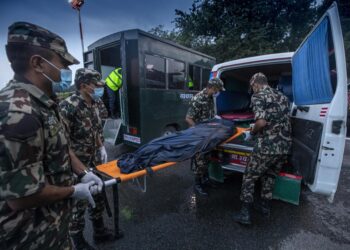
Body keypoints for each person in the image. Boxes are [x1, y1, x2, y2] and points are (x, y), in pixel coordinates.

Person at [0, 22, 103, 250]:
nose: (67, 72)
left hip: (54, 226)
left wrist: (82, 172)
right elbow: (22, 197)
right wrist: (74, 190)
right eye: (63, 64)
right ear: (38, 63)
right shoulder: (18, 112)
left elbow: (61, 145)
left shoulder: (43, 103)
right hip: (29, 237)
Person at [59, 68, 115, 249]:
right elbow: (62, 144)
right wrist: (80, 170)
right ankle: (78, 240)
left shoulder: (96, 104)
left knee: (98, 194)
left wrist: (101, 146)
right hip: (76, 165)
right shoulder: (68, 106)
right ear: (83, 86)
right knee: (79, 203)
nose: (100, 89)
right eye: (96, 85)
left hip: (94, 160)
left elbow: (96, 129)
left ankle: (99, 232)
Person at [233, 72, 292, 225]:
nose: (252, 90)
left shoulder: (258, 96)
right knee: (270, 176)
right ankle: (265, 207)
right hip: (284, 146)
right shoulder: (283, 97)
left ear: (256, 84)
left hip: (267, 147)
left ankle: (245, 214)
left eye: (252, 87)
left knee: (249, 177)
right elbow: (278, 120)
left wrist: (251, 133)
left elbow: (261, 123)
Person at [185, 78, 225, 196]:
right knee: (200, 161)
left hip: (209, 135)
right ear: (213, 87)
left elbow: (209, 115)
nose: (218, 91)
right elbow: (188, 118)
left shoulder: (210, 98)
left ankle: (205, 180)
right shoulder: (198, 99)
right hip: (200, 136)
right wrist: (199, 131)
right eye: (218, 89)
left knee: (207, 159)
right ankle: (197, 184)